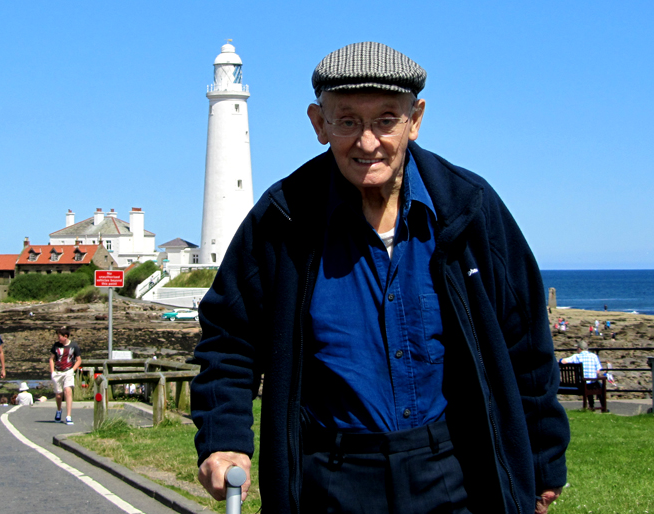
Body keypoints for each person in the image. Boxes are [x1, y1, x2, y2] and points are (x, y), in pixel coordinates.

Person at [191, 42, 569, 514]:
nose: (367, 142)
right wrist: (223, 438)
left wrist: (541, 461)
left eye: (386, 120)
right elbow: (229, 339)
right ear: (318, 124)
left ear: (415, 120)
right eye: (347, 120)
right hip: (328, 479)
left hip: (454, 472)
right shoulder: (283, 219)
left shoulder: (469, 208)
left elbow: (526, 343)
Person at [48, 327, 81, 425]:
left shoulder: (74, 345)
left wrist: (72, 370)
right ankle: (59, 410)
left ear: (65, 336)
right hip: (58, 372)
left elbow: (79, 360)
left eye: (60, 337)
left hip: (68, 372)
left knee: (68, 391)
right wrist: (52, 372)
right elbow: (51, 359)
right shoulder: (56, 346)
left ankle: (68, 416)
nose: (58, 339)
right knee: (59, 395)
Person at [560, 341, 603, 408]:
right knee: (599, 385)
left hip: (581, 384)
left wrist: (560, 360)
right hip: (592, 383)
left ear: (580, 349)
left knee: (586, 382)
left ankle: (591, 405)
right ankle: (602, 406)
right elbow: (598, 371)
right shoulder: (594, 356)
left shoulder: (576, 356)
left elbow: (563, 361)